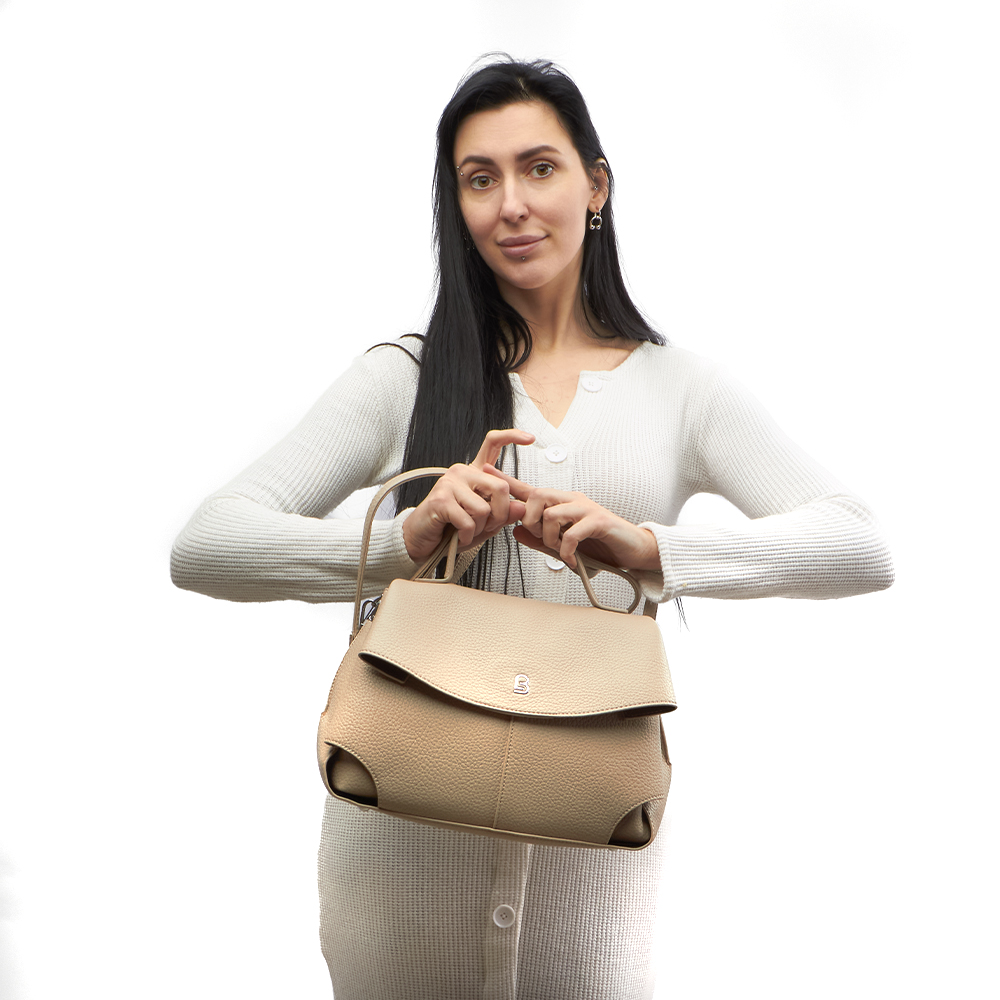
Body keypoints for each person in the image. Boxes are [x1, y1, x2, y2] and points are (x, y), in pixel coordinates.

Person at [171, 57, 893, 1000]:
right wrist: (403, 545)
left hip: (594, 877)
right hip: (396, 870)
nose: (510, 204)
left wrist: (652, 551)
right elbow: (207, 544)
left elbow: (859, 545)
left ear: (596, 186)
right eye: (480, 179)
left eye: (539, 168)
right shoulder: (402, 376)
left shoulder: (681, 390)